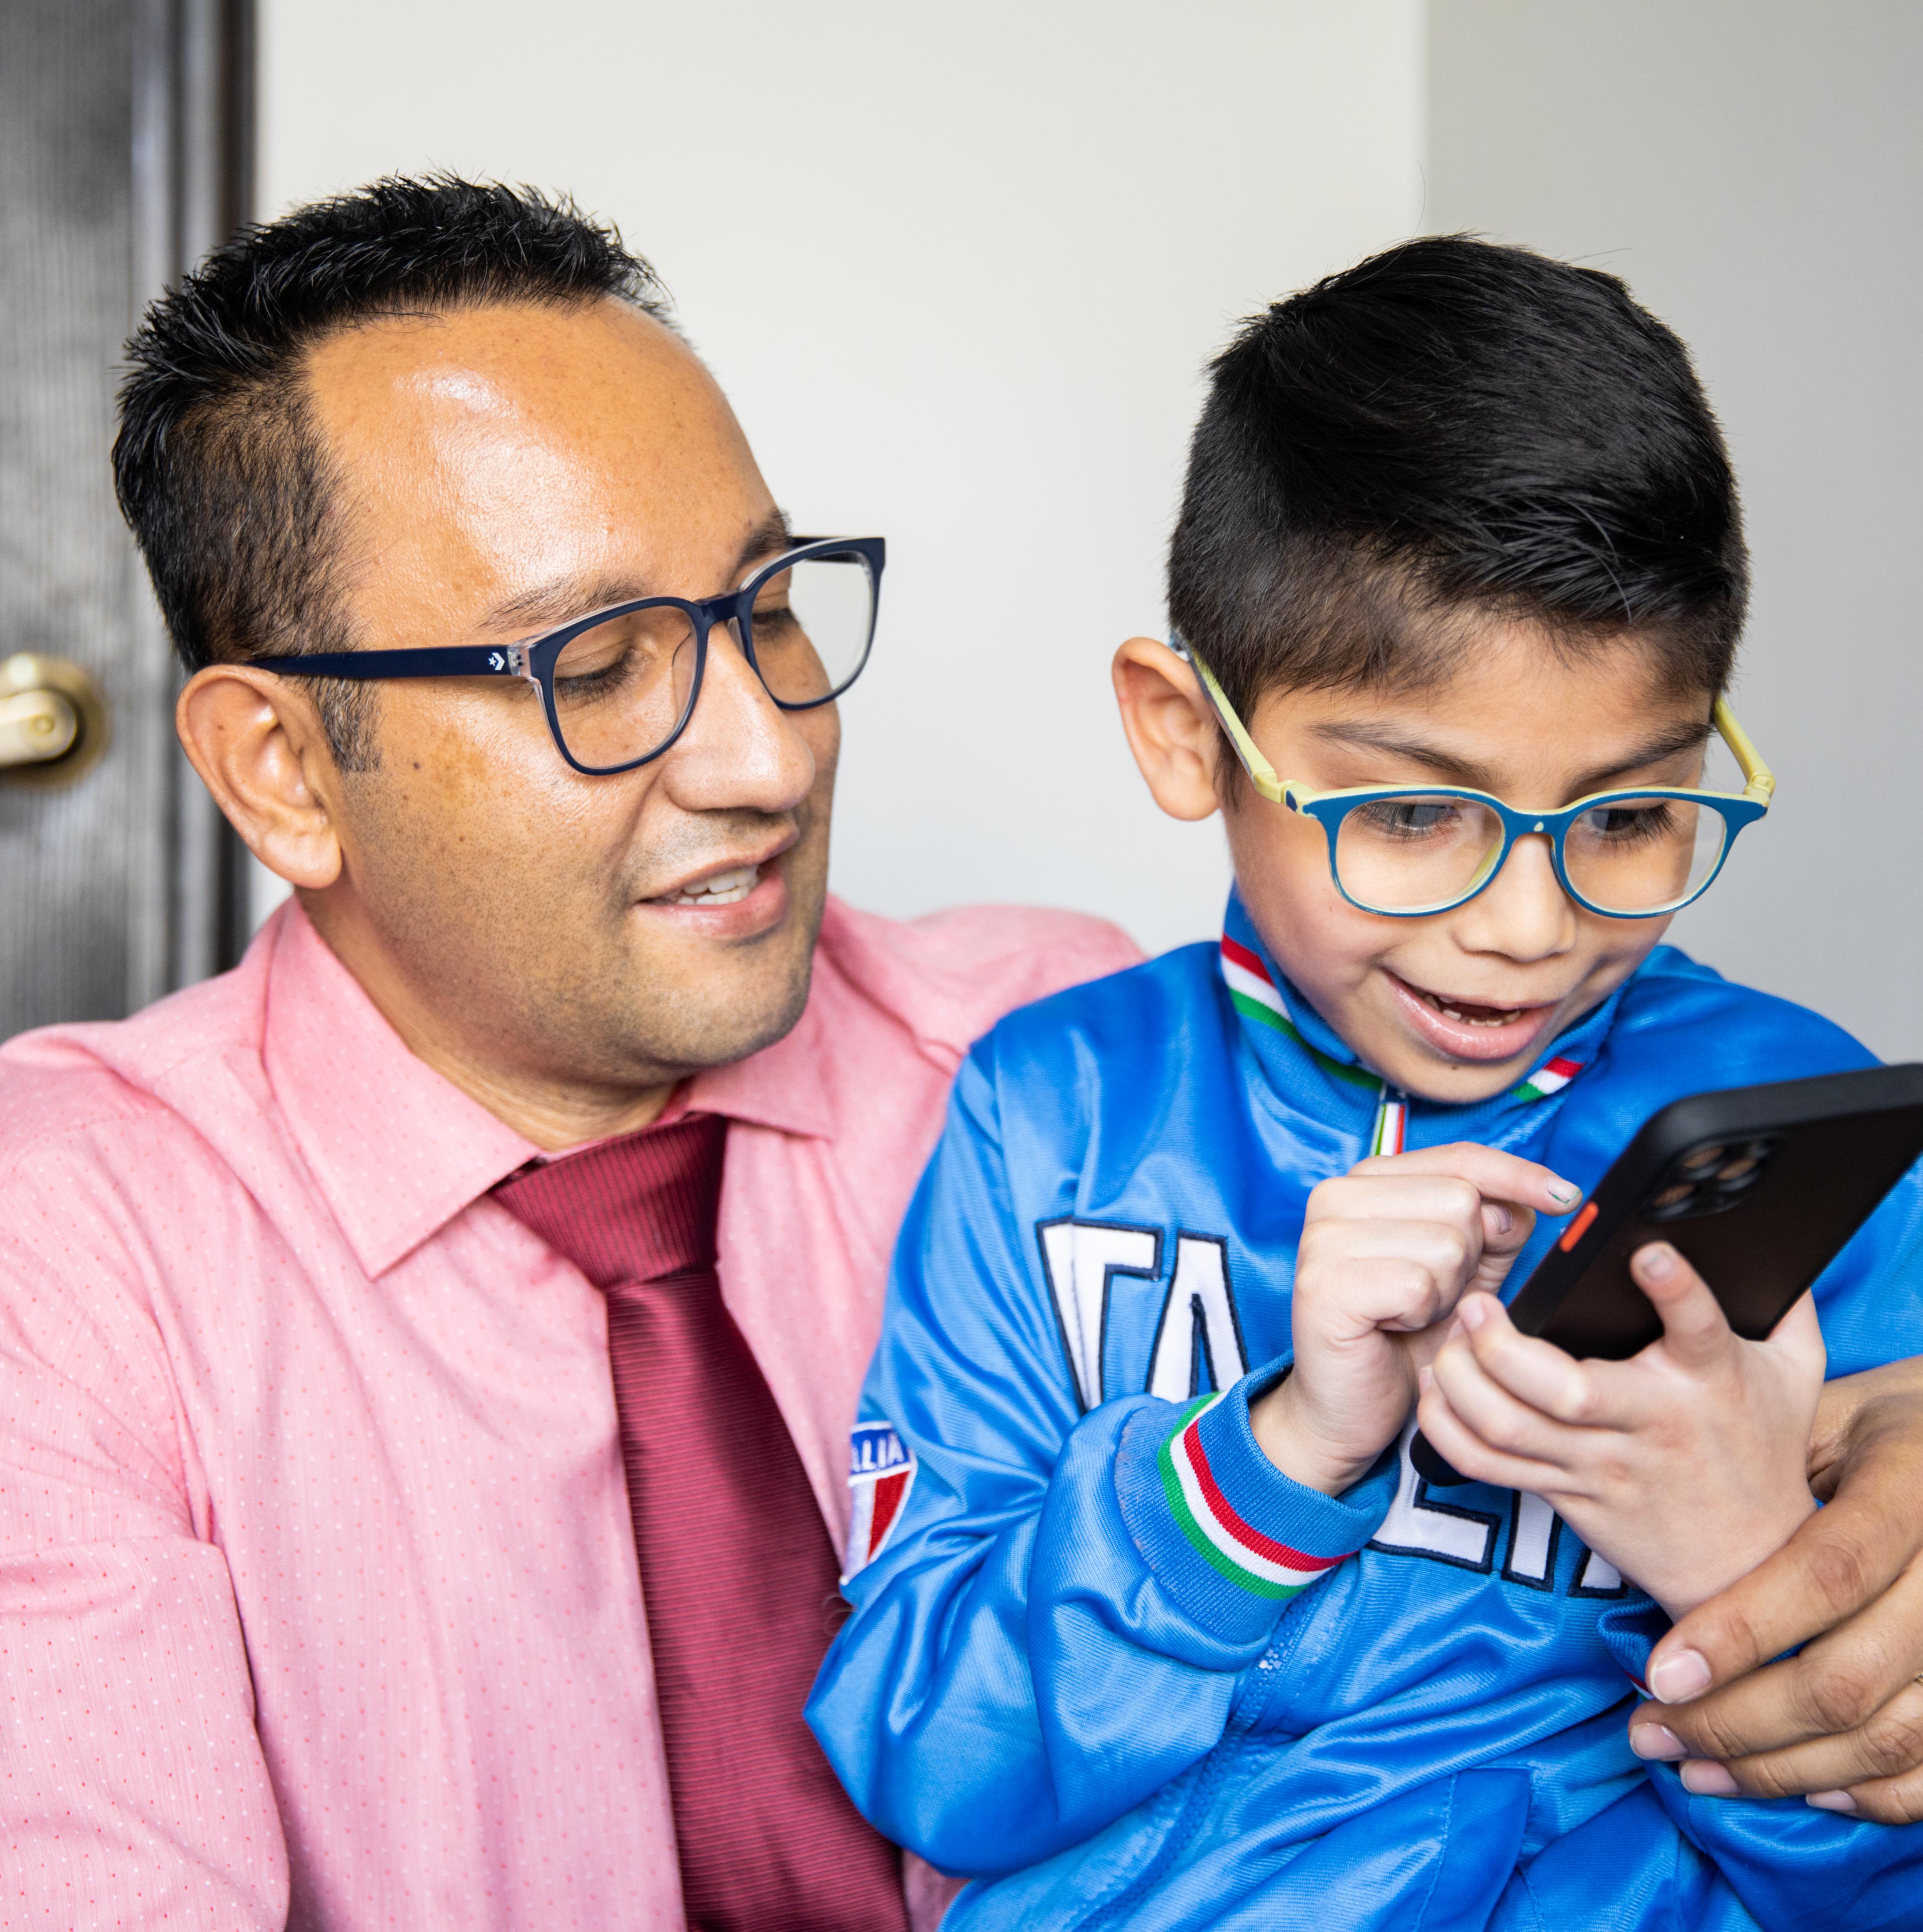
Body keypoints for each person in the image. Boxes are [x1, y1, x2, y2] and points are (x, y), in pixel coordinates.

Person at [0, 178, 1141, 1929]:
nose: (765, 759)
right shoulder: (61, 1255)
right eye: (595, 664)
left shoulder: (1063, 1064)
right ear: (283, 770)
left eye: (771, 607)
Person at [806, 238, 1923, 1928]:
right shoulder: (1050, 1115)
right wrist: (1274, 1452)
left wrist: (1740, 1558)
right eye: (1411, 814)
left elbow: (1879, 1876)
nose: (1528, 931)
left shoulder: (1805, 1131)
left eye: (1625, 815)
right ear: (1186, 733)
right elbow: (922, 1750)